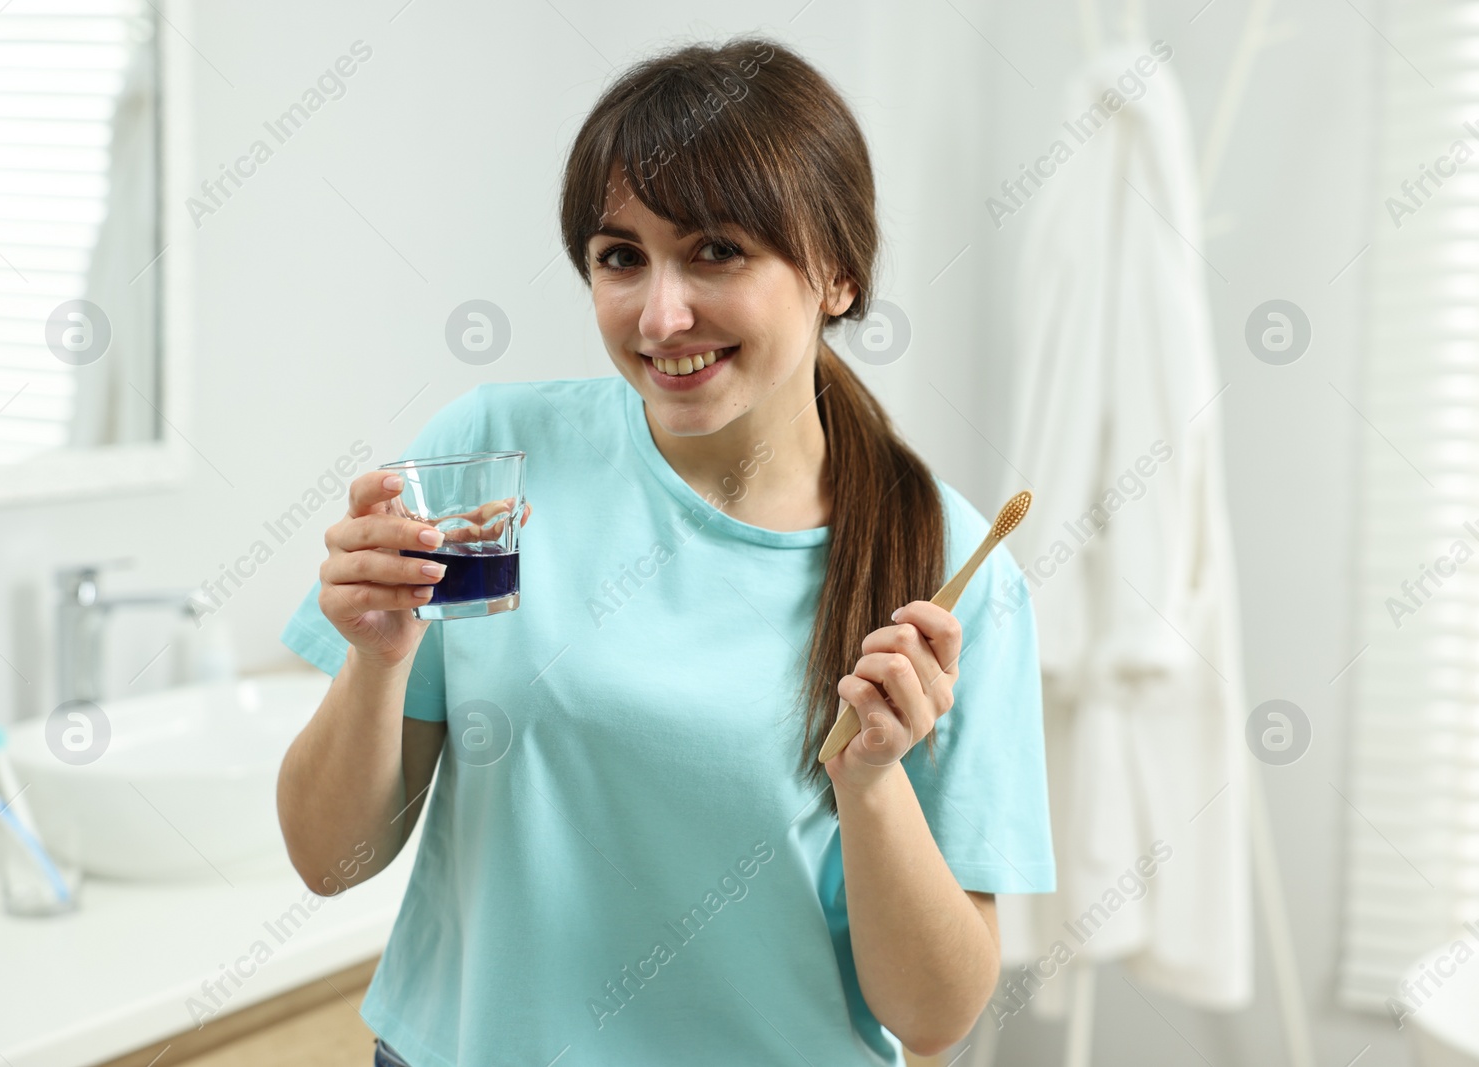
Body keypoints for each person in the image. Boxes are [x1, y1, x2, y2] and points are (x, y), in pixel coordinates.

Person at [276, 34, 1055, 1066]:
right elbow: (332, 862)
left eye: (716, 251)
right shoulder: (493, 463)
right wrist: (377, 664)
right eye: (620, 257)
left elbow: (932, 1015)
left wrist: (870, 781)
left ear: (836, 271)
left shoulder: (950, 566)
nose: (660, 313)